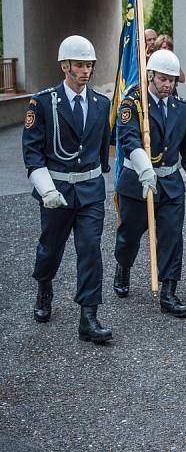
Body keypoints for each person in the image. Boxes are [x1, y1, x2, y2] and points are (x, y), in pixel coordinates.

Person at [22, 35, 112, 343]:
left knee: (90, 250)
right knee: (51, 248)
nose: (86, 71)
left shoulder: (102, 103)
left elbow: (102, 150)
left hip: (89, 191)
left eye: (89, 65)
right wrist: (46, 189)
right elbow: (32, 152)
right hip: (57, 191)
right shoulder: (43, 102)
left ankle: (89, 315)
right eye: (79, 65)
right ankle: (44, 287)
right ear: (65, 67)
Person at [112, 49, 186, 317]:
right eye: (163, 79)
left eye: (172, 80)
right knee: (130, 235)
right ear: (150, 75)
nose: (168, 85)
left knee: (172, 236)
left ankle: (168, 291)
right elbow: (128, 140)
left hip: (170, 183)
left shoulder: (182, 109)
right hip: (137, 181)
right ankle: (123, 266)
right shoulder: (133, 105)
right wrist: (144, 169)